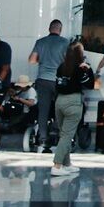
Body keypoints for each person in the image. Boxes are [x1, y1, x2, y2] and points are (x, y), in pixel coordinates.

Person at [51, 39, 95, 174]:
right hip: (73, 102)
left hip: (59, 101)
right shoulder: (81, 68)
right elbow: (90, 85)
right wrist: (89, 70)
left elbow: (58, 85)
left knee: (63, 134)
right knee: (67, 135)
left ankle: (67, 163)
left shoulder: (61, 67)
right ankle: (57, 166)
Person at [28, 19, 69, 150]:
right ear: (60, 30)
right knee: (60, 107)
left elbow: (32, 60)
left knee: (43, 110)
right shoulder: (64, 42)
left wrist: (43, 60)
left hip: (42, 79)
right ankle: (56, 133)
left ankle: (43, 139)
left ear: (49, 29)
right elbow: (69, 61)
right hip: (58, 81)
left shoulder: (40, 42)